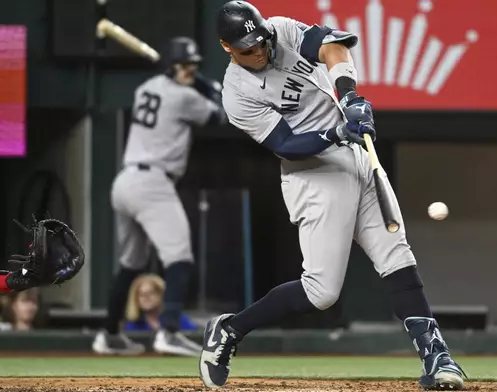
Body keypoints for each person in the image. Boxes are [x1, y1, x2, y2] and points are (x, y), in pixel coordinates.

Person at [199, 1, 466, 390]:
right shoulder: (237, 93)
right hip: (313, 174)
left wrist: (350, 97)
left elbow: (332, 46)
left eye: (260, 43)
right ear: (227, 48)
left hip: (358, 156)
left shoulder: (281, 30)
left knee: (396, 255)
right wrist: (337, 133)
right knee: (321, 292)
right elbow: (286, 143)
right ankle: (231, 329)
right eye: (247, 49)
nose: (258, 52)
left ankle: (437, 355)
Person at [92, 36, 228, 357]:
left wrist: (197, 87)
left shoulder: (146, 87)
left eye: (193, 66)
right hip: (152, 183)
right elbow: (222, 116)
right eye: (183, 66)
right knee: (180, 258)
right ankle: (168, 331)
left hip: (125, 183)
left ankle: (109, 334)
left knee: (131, 264)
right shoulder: (184, 98)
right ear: (170, 66)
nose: (189, 71)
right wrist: (214, 91)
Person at [123, 274, 198, 332]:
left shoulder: (178, 319)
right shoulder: (132, 326)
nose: (146, 298)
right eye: (142, 295)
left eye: (151, 293)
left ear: (161, 295)